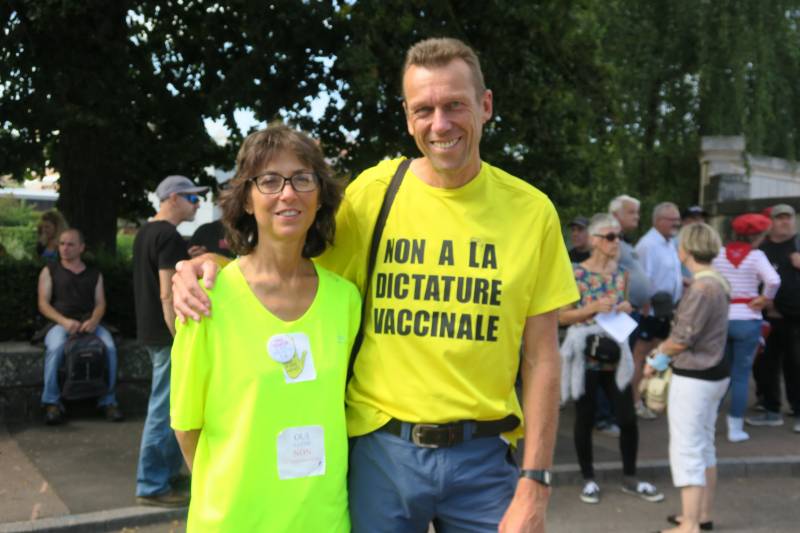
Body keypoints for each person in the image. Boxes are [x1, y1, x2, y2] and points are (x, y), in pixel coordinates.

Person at [173, 37, 578, 532]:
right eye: (424, 109)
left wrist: (536, 481)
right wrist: (211, 266)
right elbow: (286, 255)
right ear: (408, 118)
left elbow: (542, 358)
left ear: (486, 105)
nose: (440, 124)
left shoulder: (531, 212)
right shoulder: (374, 194)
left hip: (483, 459)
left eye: (455, 105)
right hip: (382, 457)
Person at [170, 125, 359, 531]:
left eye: (302, 179)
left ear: (320, 195)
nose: (287, 193)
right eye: (270, 181)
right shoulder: (206, 299)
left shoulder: (346, 300)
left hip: (323, 521)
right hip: (235, 521)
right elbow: (186, 426)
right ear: (247, 199)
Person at [559, 214, 663, 506]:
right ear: (594, 241)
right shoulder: (576, 273)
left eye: (619, 236)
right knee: (585, 417)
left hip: (617, 355)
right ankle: (588, 479)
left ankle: (630, 477)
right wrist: (591, 308)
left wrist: (626, 307)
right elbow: (561, 317)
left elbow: (624, 308)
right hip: (586, 356)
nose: (617, 242)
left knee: (627, 419)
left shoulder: (622, 274)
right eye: (610, 237)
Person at [644, 223, 730, 533]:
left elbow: (682, 338)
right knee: (704, 445)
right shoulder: (717, 282)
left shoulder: (701, 288)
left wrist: (655, 359)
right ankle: (701, 515)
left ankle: (690, 524)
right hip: (715, 373)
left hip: (694, 376)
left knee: (687, 449)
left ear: (687, 250)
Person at [133, 174, 207, 507]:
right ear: (173, 198)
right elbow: (167, 293)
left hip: (149, 331)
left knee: (167, 405)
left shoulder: (147, 232)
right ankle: (151, 484)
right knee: (165, 409)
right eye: (192, 198)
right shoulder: (168, 236)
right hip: (167, 334)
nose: (198, 204)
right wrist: (180, 337)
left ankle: (165, 474)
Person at [36, 228, 123, 425]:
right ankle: (51, 402)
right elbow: (43, 304)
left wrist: (94, 321)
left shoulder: (94, 274)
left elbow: (100, 303)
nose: (64, 248)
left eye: (70, 244)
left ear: (81, 248)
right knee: (56, 347)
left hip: (89, 323)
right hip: (59, 323)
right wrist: (64, 322)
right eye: (62, 244)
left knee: (110, 348)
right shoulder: (49, 270)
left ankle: (109, 401)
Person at [712, 213, 780, 442]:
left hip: (722, 318)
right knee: (740, 376)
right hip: (748, 319)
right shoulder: (756, 256)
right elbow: (774, 280)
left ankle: (708, 423)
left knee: (720, 374)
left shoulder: (719, 253)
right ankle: (735, 429)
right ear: (757, 236)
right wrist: (765, 298)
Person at [750, 203, 800, 433]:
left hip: (795, 317)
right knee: (766, 365)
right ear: (770, 222)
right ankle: (771, 410)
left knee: (795, 365)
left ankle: (798, 411)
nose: (785, 222)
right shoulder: (762, 248)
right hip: (766, 317)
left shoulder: (798, 244)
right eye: (779, 218)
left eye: (788, 218)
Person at [632, 201, 683, 419]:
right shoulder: (648, 245)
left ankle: (650, 397)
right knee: (641, 355)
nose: (677, 224)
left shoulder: (669, 242)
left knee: (657, 355)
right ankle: (635, 401)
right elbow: (643, 279)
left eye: (678, 220)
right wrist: (646, 307)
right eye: (673, 220)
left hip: (666, 309)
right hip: (651, 311)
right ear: (659, 221)